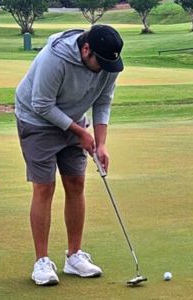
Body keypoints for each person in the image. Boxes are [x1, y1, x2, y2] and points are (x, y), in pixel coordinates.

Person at [15, 25, 124, 286]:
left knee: (76, 183)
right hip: (36, 120)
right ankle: (41, 262)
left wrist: (101, 143)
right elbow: (41, 103)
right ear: (86, 49)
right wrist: (80, 133)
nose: (106, 69)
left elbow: (103, 101)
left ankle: (74, 256)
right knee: (44, 187)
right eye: (101, 62)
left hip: (74, 119)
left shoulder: (108, 62)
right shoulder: (55, 58)